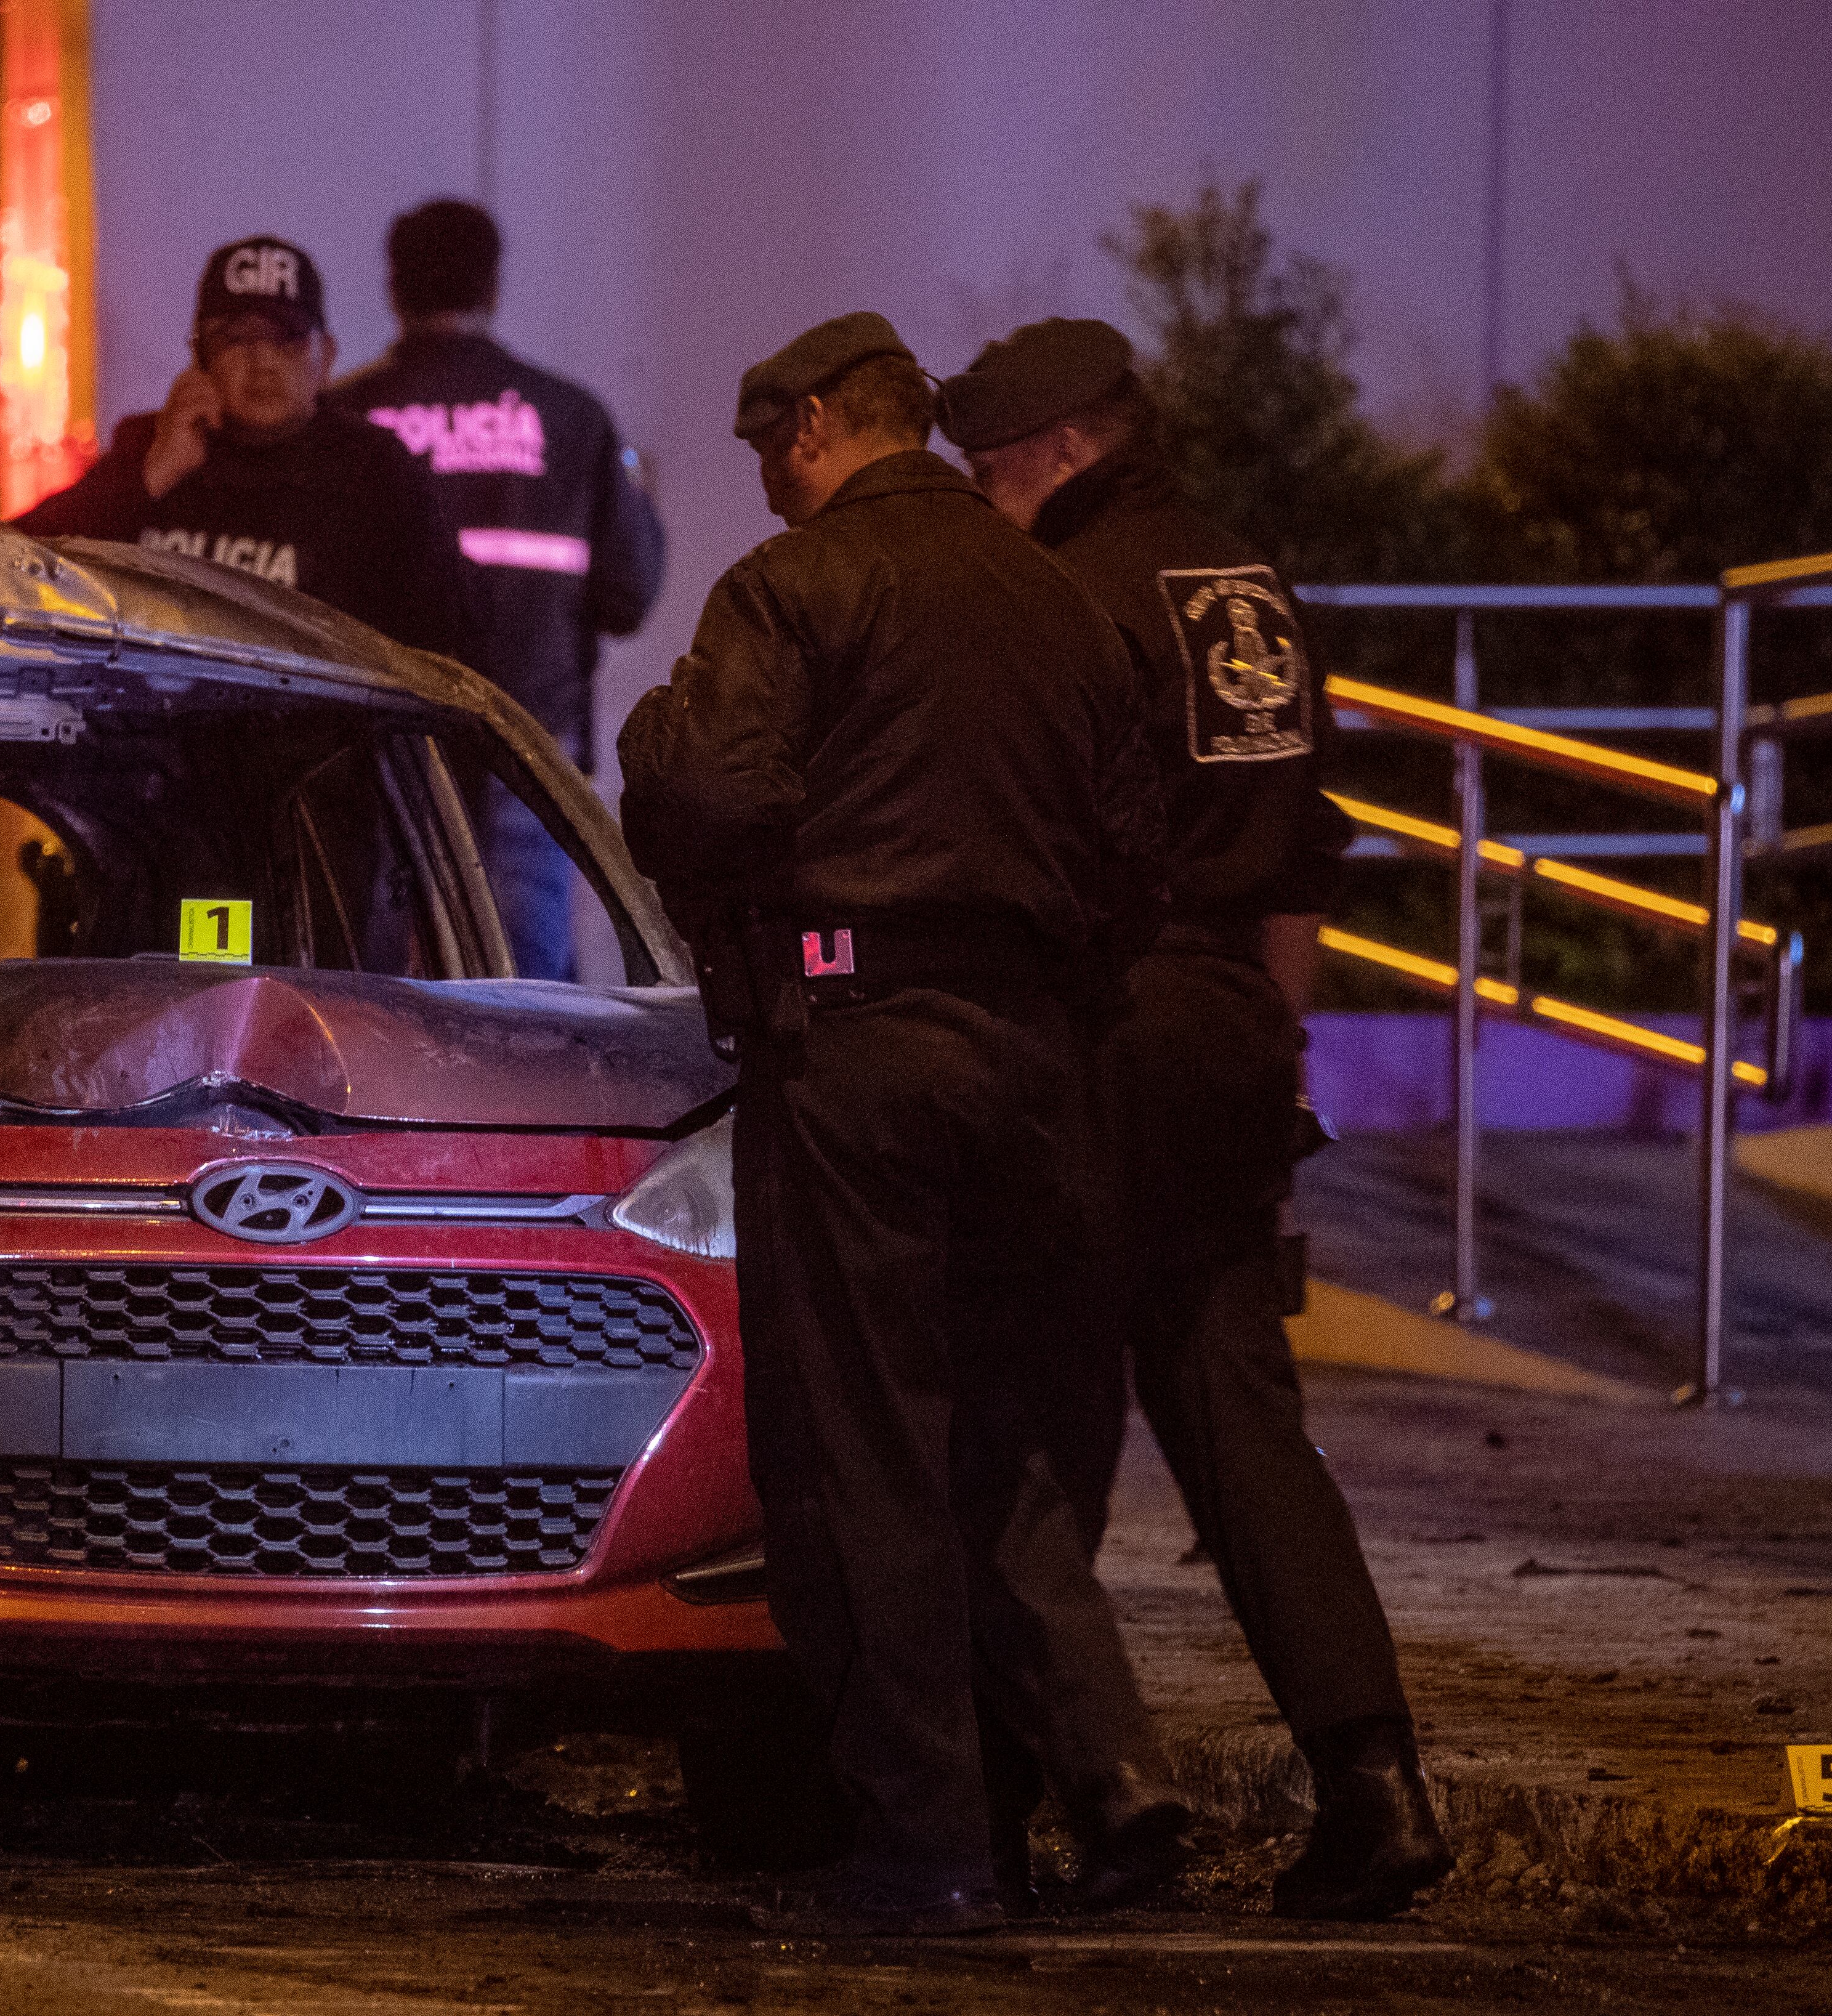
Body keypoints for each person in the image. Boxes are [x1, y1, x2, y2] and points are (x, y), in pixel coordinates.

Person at [618, 312, 1184, 1935]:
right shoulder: (1060, 599)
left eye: (763, 455)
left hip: (854, 1045)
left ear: (810, 425)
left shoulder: (793, 591)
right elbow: (1137, 850)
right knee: (1008, 1436)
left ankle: (925, 1840)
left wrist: (667, 747)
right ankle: (1114, 1777)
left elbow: (707, 794)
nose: (766, 488)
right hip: (1032, 1054)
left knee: (861, 1444)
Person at [942, 316, 1454, 1922]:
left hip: (1106, 1018)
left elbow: (1036, 848)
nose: (977, 492)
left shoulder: (1065, 598)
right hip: (1235, 1020)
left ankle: (1056, 1795)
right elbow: (1305, 850)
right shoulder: (1245, 585)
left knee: (1024, 1407)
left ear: (1066, 451)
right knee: (1240, 1416)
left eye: (989, 464)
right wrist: (1258, 1048)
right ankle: (1373, 1785)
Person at [327, 200, 666, 978]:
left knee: (369, 1002)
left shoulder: (346, 418)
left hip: (376, 760)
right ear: (491, 286)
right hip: (528, 755)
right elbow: (631, 593)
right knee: (525, 1010)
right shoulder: (571, 420)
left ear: (394, 288)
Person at [15, 235, 462, 658]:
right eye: (236, 338)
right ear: (199, 359)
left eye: (285, 338)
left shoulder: (377, 474)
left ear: (324, 357)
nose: (262, 360)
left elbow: (448, 641)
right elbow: (12, 567)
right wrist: (149, 479)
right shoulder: (151, 450)